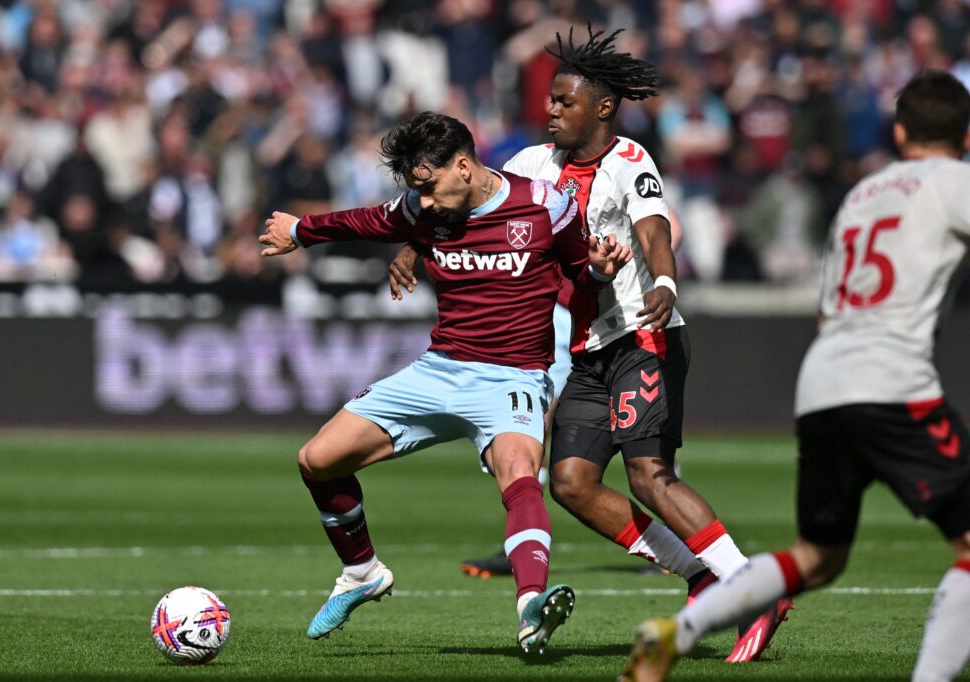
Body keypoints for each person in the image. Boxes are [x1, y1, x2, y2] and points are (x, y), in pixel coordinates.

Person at [386, 25, 790, 663]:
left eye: (564, 102)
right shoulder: (527, 166)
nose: (549, 110)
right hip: (587, 350)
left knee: (651, 476)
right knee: (571, 483)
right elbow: (456, 199)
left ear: (602, 108)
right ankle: (702, 574)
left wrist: (663, 282)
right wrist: (412, 241)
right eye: (549, 100)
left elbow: (655, 229)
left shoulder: (632, 163)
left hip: (641, 335)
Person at [623, 70, 970, 682]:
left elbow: (825, 303)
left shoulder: (863, 195)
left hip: (823, 381)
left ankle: (678, 633)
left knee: (818, 557)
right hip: (892, 380)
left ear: (898, 131)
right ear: (965, 137)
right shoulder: (956, 182)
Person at [258, 111, 632, 653]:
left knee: (520, 473)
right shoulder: (421, 208)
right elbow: (362, 222)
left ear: (463, 166)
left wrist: (597, 270)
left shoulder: (547, 206)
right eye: (417, 191)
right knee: (317, 459)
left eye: (429, 187)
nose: (424, 202)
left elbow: (580, 277)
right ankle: (362, 572)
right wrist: (299, 231)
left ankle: (531, 606)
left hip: (513, 376)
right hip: (439, 370)